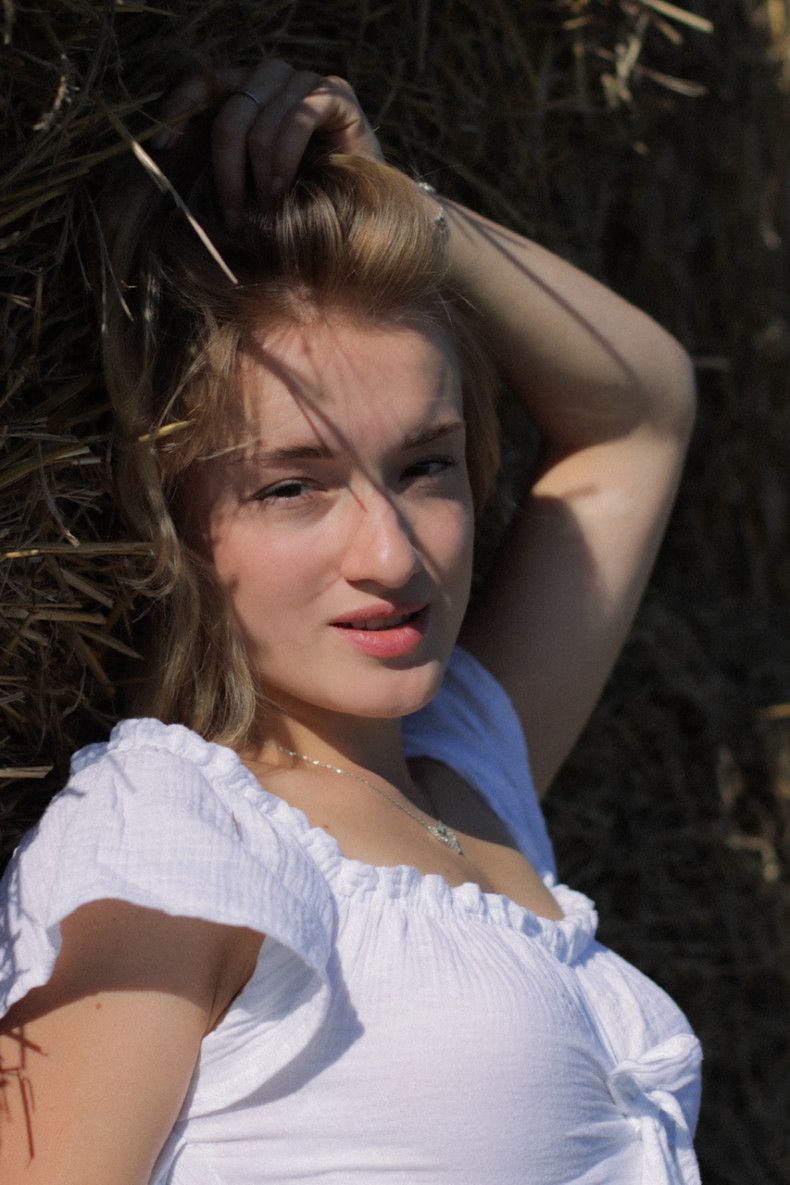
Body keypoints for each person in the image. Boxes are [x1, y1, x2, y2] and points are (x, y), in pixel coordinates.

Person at [0, 61, 701, 1184]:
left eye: (426, 465)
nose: (394, 556)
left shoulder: (470, 774)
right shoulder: (172, 836)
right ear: (176, 522)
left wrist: (402, 206)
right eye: (293, 486)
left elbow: (643, 413)